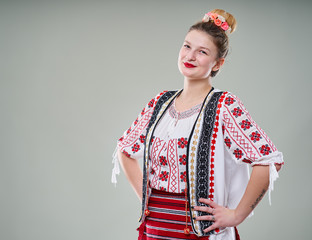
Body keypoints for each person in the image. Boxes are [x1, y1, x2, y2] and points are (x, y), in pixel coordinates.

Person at [112, 9, 284, 240]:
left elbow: (268, 158)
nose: (190, 56)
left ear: (217, 63)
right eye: (187, 46)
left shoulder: (223, 105)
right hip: (155, 229)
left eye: (202, 52)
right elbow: (125, 149)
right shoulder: (160, 102)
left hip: (201, 232)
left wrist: (236, 215)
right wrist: (147, 197)